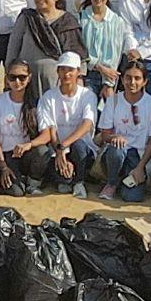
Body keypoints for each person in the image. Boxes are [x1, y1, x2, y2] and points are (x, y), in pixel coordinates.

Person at [96, 58, 151, 202]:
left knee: (132, 197)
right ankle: (111, 183)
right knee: (117, 149)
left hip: (138, 155)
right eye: (128, 78)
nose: (132, 83)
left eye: (137, 78)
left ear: (144, 81)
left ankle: (129, 177)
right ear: (122, 79)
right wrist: (114, 138)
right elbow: (105, 133)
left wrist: (140, 167)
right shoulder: (114, 100)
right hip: (115, 153)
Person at [6, 0, 84, 94]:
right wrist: (10, 74)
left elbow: (77, 54)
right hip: (26, 81)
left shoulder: (68, 21)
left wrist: (78, 79)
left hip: (56, 82)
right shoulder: (27, 19)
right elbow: (13, 50)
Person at [0, 63, 53, 194]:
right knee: (16, 192)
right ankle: (19, 180)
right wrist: (3, 165)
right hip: (7, 155)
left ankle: (34, 181)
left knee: (42, 151)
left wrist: (29, 145)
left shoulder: (36, 103)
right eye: (12, 77)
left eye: (22, 77)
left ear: (29, 78)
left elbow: (47, 135)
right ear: (7, 78)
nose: (17, 82)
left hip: (27, 154)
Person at [42, 53, 101, 196]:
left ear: (78, 72)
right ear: (57, 71)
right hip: (58, 150)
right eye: (62, 69)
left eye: (70, 70)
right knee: (63, 181)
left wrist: (64, 146)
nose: (66, 74)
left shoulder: (88, 95)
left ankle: (79, 181)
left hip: (81, 151)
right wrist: (59, 150)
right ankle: (64, 178)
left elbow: (87, 124)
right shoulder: (49, 97)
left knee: (78, 145)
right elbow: (50, 128)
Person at [77, 0, 128, 100]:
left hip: (108, 78)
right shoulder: (79, 19)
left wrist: (108, 84)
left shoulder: (117, 22)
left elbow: (116, 55)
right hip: (85, 75)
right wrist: (98, 67)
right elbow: (79, 50)